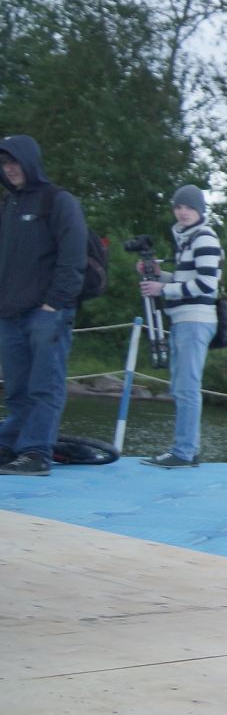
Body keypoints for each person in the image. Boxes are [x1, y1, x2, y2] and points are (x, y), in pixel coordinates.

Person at [0, 135, 88, 476]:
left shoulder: (59, 201)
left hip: (47, 314)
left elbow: (73, 258)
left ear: (30, 161)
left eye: (14, 162)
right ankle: (11, 446)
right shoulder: (8, 206)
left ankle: (36, 452)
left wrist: (55, 305)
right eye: (5, 164)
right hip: (9, 315)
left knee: (44, 385)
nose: (9, 169)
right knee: (18, 389)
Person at [138, 184, 222, 469]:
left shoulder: (205, 239)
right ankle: (187, 449)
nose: (183, 212)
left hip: (196, 319)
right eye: (179, 207)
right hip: (183, 319)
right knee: (180, 386)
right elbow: (188, 277)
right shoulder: (188, 239)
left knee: (186, 387)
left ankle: (184, 452)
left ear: (200, 210)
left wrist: (163, 288)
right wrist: (161, 275)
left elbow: (206, 285)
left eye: (189, 207)